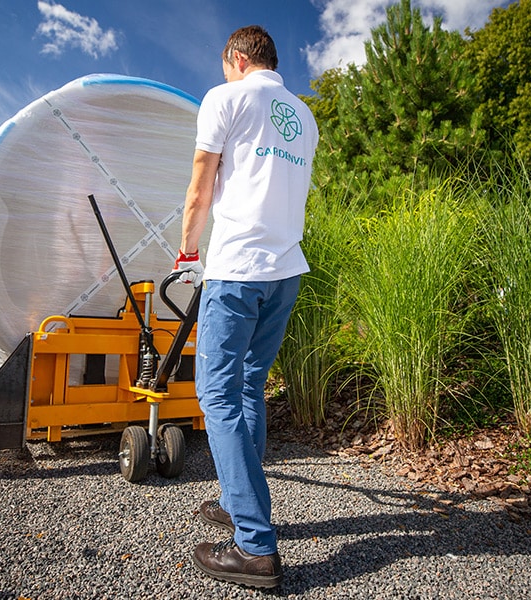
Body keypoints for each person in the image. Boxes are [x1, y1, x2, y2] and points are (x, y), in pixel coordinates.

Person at [171, 25, 318, 588]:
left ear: (236, 59)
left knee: (216, 392)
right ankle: (238, 507)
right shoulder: (304, 118)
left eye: (226, 65)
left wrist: (188, 252)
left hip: (237, 269)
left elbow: (200, 186)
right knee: (250, 383)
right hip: (285, 272)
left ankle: (255, 547)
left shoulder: (225, 97)